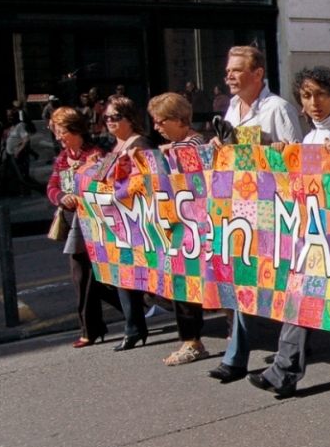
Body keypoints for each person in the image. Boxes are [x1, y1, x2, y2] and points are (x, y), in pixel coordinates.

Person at [247, 67, 330, 399]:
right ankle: (283, 372)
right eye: (306, 96)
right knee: (300, 298)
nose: (313, 102)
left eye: (320, 94)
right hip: (318, 238)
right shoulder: (308, 139)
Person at [208, 47, 303, 383]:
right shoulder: (232, 108)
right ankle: (236, 358)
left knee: (285, 283)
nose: (229, 76)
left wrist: (274, 153)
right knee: (242, 277)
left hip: (276, 209)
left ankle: (290, 354)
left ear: (258, 73)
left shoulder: (277, 109)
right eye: (227, 71)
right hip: (242, 206)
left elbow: (299, 159)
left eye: (236, 70)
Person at [47, 107, 121, 348]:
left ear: (75, 129)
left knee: (88, 276)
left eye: (62, 131)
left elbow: (105, 185)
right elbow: (52, 187)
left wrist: (91, 171)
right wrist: (61, 198)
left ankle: (93, 328)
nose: (59, 137)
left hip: (98, 222)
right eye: (56, 132)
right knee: (84, 276)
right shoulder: (61, 157)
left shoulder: (96, 153)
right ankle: (96, 326)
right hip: (76, 223)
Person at [149, 92, 211, 366]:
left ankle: (193, 342)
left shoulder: (195, 143)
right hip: (181, 225)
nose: (156, 127)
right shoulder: (176, 145)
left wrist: (173, 157)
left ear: (178, 119)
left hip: (195, 226)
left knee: (188, 285)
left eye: (160, 121)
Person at [102, 95, 151, 352]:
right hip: (119, 218)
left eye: (115, 117)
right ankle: (134, 326)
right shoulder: (117, 145)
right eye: (107, 117)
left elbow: (146, 180)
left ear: (130, 118)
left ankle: (136, 326)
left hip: (137, 218)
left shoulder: (139, 144)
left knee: (134, 274)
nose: (110, 122)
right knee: (121, 275)